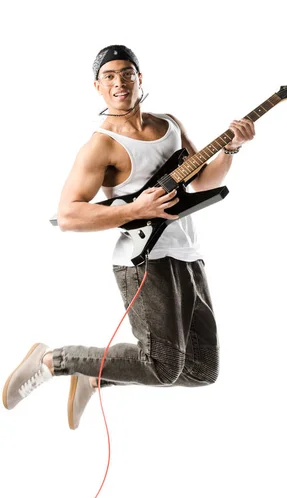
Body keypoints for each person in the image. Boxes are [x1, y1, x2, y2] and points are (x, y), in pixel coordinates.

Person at [2, 45, 255, 430]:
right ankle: (53, 360)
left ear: (140, 78)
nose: (120, 82)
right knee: (165, 365)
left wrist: (232, 148)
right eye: (110, 76)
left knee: (202, 369)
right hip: (143, 259)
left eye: (127, 73)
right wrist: (137, 209)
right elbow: (69, 215)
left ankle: (94, 376)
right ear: (98, 86)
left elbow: (202, 180)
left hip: (188, 252)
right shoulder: (101, 144)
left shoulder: (169, 124)